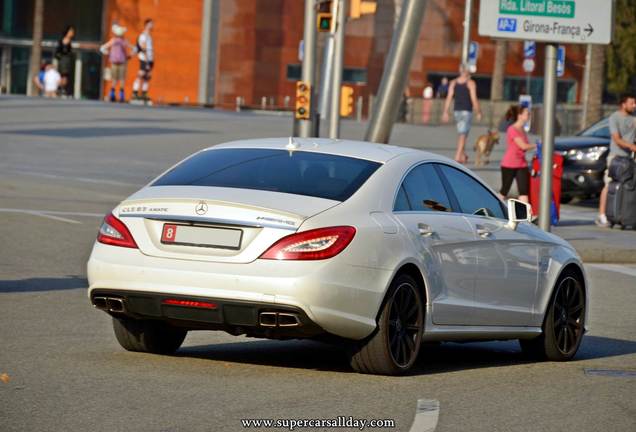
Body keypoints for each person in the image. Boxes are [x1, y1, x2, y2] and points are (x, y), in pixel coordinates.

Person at [595, 95, 636, 227]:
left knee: (628, 186)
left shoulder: (633, 118)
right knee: (610, 184)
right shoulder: (615, 117)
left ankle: (625, 214)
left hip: (630, 159)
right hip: (616, 157)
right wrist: (631, 146)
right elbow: (617, 139)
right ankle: (602, 215)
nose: (634, 105)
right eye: (632, 103)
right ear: (623, 104)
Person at [442, 64, 482, 164]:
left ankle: (463, 156)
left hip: (457, 111)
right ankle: (457, 156)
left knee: (462, 133)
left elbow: (449, 97)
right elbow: (473, 98)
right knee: (463, 134)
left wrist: (445, 111)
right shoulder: (470, 83)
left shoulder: (454, 83)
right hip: (466, 111)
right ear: (467, 71)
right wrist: (478, 112)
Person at [499, 105, 536, 203]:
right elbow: (523, 146)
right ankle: (495, 209)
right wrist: (537, 145)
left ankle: (526, 215)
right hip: (509, 164)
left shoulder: (522, 129)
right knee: (504, 190)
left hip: (521, 164)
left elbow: (524, 148)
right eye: (527, 113)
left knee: (524, 191)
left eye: (529, 113)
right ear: (519, 115)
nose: (529, 115)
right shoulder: (512, 129)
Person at [101, 24, 131, 102]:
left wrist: (108, 53)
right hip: (122, 62)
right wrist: (129, 55)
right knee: (121, 79)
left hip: (114, 62)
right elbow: (130, 49)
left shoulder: (113, 41)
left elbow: (102, 48)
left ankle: (112, 94)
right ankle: (121, 96)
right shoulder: (123, 42)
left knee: (114, 79)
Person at [132, 18, 154, 102]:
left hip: (150, 58)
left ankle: (144, 93)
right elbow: (143, 47)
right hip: (144, 58)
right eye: (150, 24)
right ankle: (135, 93)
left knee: (147, 76)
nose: (152, 26)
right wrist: (146, 60)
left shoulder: (149, 36)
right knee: (141, 74)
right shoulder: (143, 35)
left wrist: (151, 59)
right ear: (146, 25)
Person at [55, 25, 75, 96]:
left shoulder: (70, 40)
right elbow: (57, 52)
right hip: (64, 61)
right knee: (64, 76)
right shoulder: (63, 40)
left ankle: (62, 89)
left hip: (67, 60)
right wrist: (60, 58)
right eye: (71, 31)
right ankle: (59, 88)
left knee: (65, 76)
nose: (72, 33)